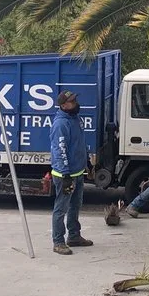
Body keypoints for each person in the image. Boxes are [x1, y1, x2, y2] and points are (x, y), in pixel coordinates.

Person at [50, 89, 93, 255]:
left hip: (78, 171)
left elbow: (80, 143)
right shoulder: (61, 124)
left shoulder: (75, 119)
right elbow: (59, 150)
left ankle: (74, 236)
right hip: (65, 175)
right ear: (63, 105)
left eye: (75, 100)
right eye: (72, 101)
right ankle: (58, 241)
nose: (76, 104)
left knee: (76, 205)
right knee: (61, 208)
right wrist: (66, 175)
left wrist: (87, 162)